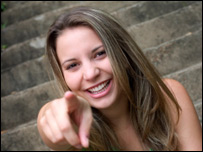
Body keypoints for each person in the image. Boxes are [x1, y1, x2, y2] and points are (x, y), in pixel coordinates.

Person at [37, 6, 202, 151]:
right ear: (63, 76)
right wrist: (52, 114)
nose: (90, 73)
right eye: (72, 65)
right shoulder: (75, 129)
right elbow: (51, 125)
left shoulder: (169, 95)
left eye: (100, 53)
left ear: (123, 53)